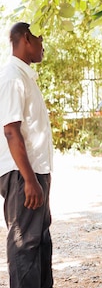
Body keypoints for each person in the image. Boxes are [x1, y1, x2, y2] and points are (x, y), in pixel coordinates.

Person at [0, 22, 54, 288]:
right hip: (24, 176)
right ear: (25, 38)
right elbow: (11, 131)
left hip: (34, 173)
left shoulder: (24, 76)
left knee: (40, 241)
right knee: (25, 244)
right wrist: (30, 180)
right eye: (39, 37)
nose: (43, 43)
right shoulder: (12, 76)